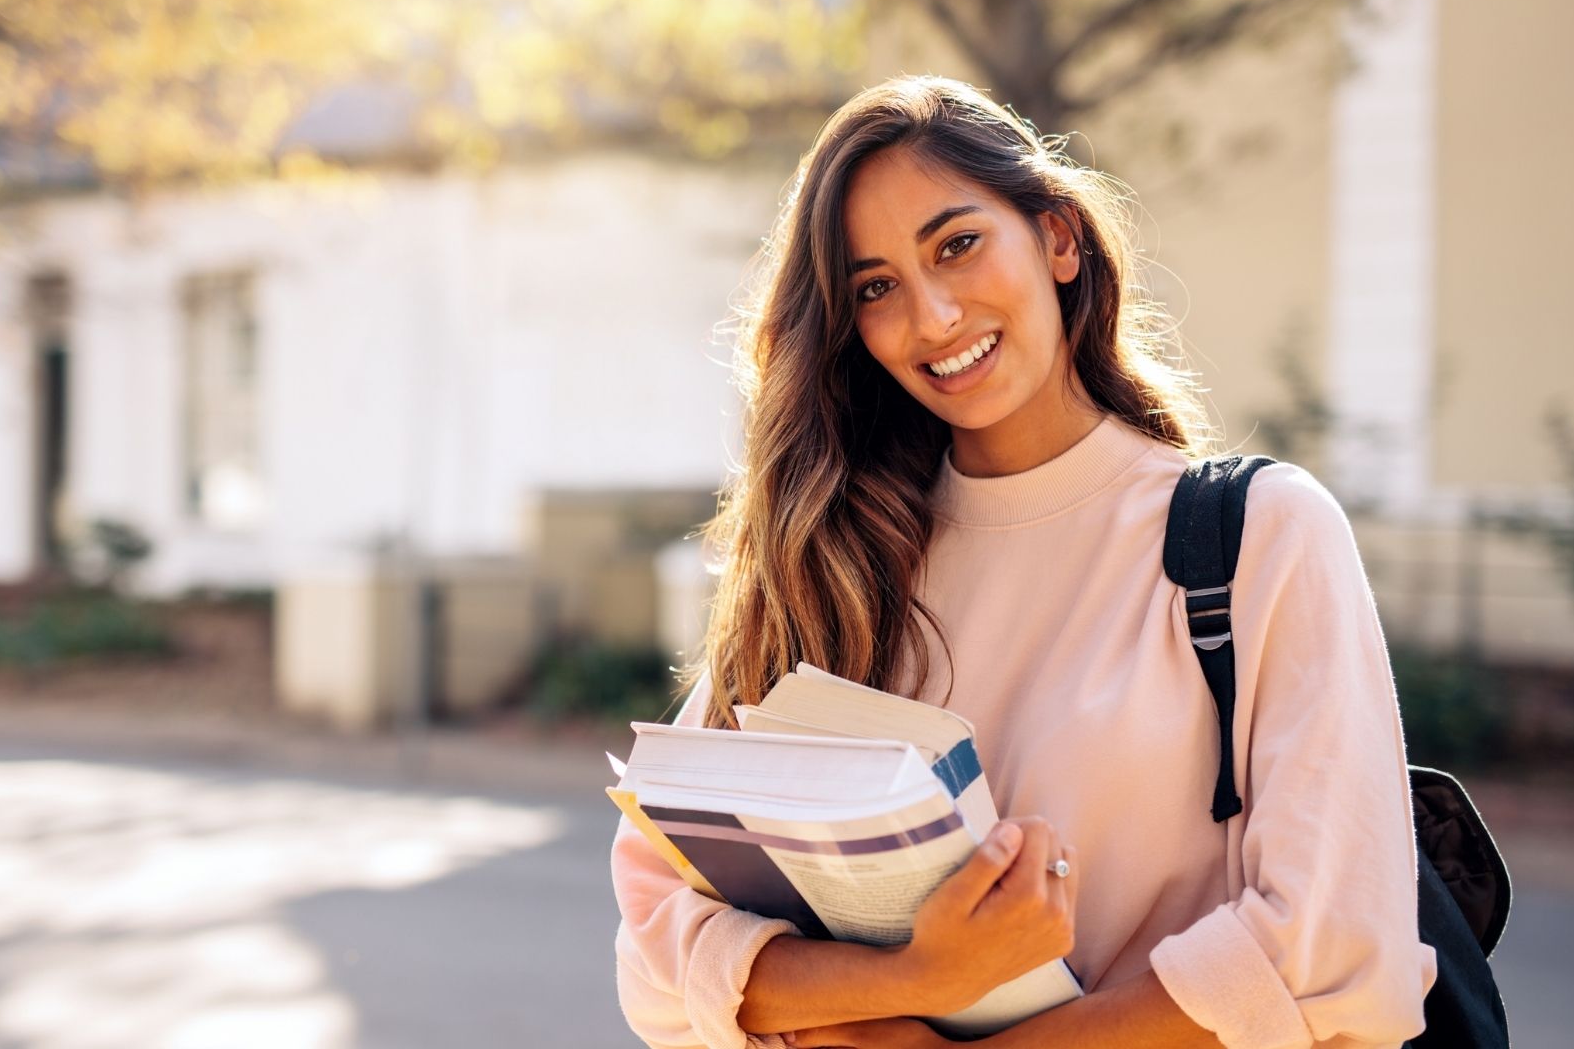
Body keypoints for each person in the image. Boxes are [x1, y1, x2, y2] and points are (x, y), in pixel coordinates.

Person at [610, 75, 1437, 1048]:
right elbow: (660, 955)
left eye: (957, 245)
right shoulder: (830, 566)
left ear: (1057, 238)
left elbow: (1332, 954)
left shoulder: (1259, 537)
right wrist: (917, 976)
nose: (932, 319)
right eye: (876, 289)